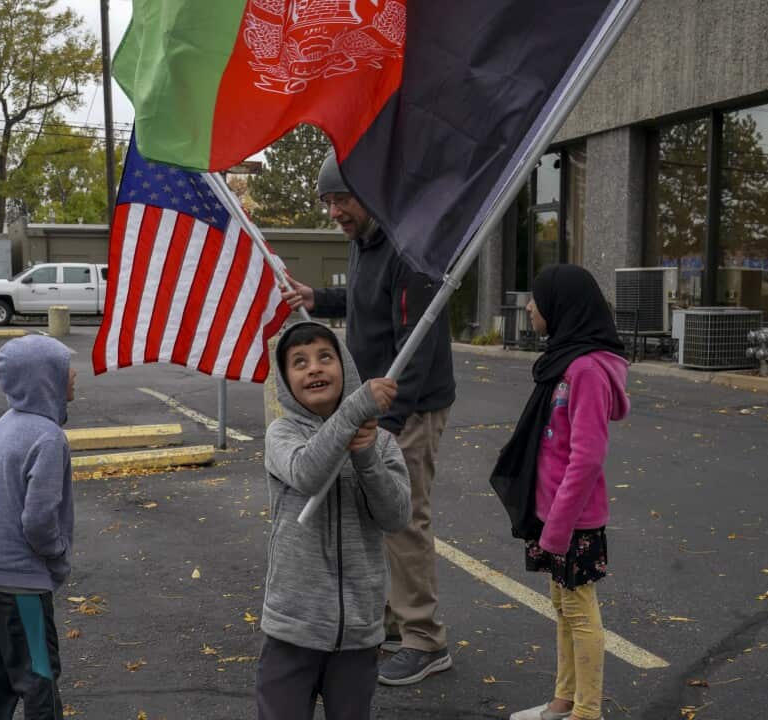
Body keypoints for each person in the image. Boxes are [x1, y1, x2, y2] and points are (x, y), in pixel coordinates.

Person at [282, 151, 456, 686]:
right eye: (327, 202)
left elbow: (417, 343)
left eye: (341, 199)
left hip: (408, 409)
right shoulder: (364, 243)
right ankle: (395, 620)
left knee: (403, 518)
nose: (334, 211)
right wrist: (321, 297)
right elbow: (366, 306)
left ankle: (425, 638)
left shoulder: (410, 251)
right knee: (376, 518)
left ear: (371, 196)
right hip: (373, 407)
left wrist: (388, 424)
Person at [492, 265, 629, 720]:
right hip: (553, 515)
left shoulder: (586, 370)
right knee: (562, 605)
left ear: (562, 307)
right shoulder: (564, 363)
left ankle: (587, 712)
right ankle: (563, 701)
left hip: (572, 521)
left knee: (579, 609)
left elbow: (587, 457)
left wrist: (558, 528)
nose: (530, 307)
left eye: (537, 299)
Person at [256, 320, 412, 719]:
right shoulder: (282, 433)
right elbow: (308, 473)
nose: (314, 368)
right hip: (294, 623)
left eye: (326, 357)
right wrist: (354, 411)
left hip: (359, 627)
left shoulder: (380, 442)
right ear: (286, 380)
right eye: (299, 362)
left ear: (346, 366)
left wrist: (366, 457)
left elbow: (395, 516)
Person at [0, 335, 77, 720]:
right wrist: (59, 557)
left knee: (1, 673)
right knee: (38, 676)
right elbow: (39, 521)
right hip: (19, 582)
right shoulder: (47, 437)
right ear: (44, 378)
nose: (73, 375)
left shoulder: (6, 424)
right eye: (65, 368)